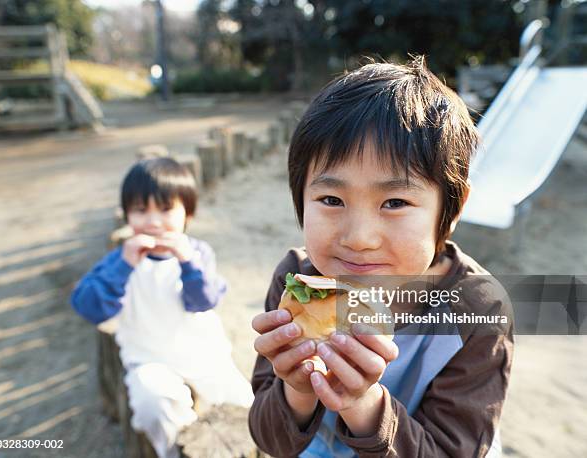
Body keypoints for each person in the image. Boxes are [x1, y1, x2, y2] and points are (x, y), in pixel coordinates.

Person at [249, 57, 513, 457]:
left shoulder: (477, 311)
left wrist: (363, 404)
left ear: (452, 210)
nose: (359, 238)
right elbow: (270, 440)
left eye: (394, 202)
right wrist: (296, 389)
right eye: (331, 199)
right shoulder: (299, 284)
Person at [71, 157, 254, 458]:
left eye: (166, 209)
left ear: (188, 214)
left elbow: (203, 300)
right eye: (141, 211)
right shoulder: (120, 260)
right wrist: (123, 265)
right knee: (152, 403)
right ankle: (175, 452)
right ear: (127, 215)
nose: (154, 222)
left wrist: (188, 263)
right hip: (148, 359)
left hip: (203, 355)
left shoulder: (198, 253)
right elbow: (89, 308)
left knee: (245, 407)